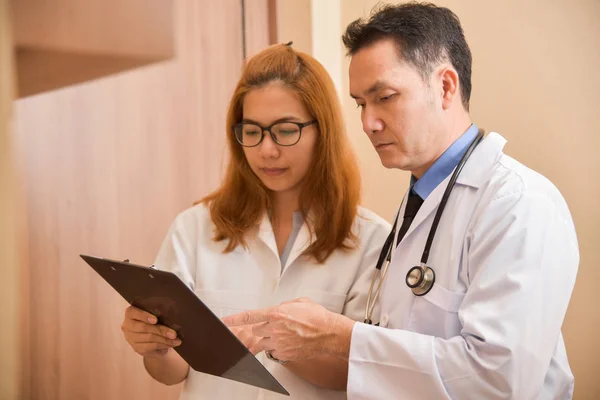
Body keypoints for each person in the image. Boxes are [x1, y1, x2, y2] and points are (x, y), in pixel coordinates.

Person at [223, 3, 579, 399]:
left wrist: (342, 338)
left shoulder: (518, 204)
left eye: (385, 97)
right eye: (361, 103)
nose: (367, 123)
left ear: (445, 86)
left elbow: (500, 381)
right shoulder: (420, 202)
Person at [119, 43, 390, 399]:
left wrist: (274, 340)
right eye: (251, 131)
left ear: (323, 132)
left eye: (286, 130)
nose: (267, 150)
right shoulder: (195, 228)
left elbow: (351, 371)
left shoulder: (372, 240)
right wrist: (155, 346)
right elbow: (171, 372)